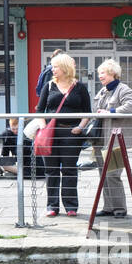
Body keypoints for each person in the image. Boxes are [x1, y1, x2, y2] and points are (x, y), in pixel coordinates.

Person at [35, 52, 90, 216]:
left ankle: (71, 206)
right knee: (51, 170)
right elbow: (39, 110)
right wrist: (43, 127)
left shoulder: (79, 87)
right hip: (51, 133)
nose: (52, 69)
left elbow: (87, 112)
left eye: (55, 66)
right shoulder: (49, 86)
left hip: (72, 133)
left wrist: (80, 127)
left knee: (69, 169)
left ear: (65, 68)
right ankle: (52, 206)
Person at [91, 59, 132, 218]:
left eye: (102, 73)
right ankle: (108, 207)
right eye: (99, 74)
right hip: (101, 140)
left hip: (117, 140)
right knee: (103, 174)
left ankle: (119, 209)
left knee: (113, 175)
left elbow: (131, 107)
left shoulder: (124, 89)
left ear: (112, 73)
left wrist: (110, 111)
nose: (100, 76)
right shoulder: (103, 91)